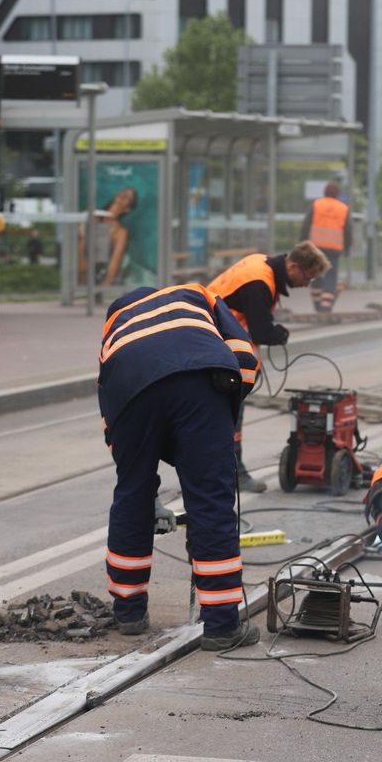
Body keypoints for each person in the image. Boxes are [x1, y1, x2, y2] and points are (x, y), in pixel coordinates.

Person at [98, 283, 262, 651]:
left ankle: (128, 613)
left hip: (131, 394)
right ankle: (222, 626)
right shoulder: (197, 293)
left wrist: (138, 478)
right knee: (211, 501)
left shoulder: (114, 324)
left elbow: (110, 411)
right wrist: (222, 421)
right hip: (201, 383)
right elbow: (245, 357)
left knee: (131, 496)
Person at [207, 242, 332, 493]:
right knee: (232, 410)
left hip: (215, 333)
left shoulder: (261, 265)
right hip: (216, 339)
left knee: (222, 411)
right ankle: (233, 473)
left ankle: (220, 472)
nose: (307, 284)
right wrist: (280, 334)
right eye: (307, 277)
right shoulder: (260, 282)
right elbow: (261, 331)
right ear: (294, 266)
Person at [300, 181, 351, 313]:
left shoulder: (317, 204)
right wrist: (347, 248)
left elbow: (306, 225)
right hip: (334, 248)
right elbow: (348, 231)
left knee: (315, 274)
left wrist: (302, 243)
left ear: (325, 192)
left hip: (316, 247)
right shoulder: (343, 208)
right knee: (330, 276)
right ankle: (326, 307)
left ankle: (318, 305)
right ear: (338, 194)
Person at [79, 187, 138, 287]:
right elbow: (79, 244)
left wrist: (105, 286)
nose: (124, 195)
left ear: (128, 209)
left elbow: (115, 262)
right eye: (123, 192)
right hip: (80, 267)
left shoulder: (120, 232)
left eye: (128, 197)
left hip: (96, 270)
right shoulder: (94, 216)